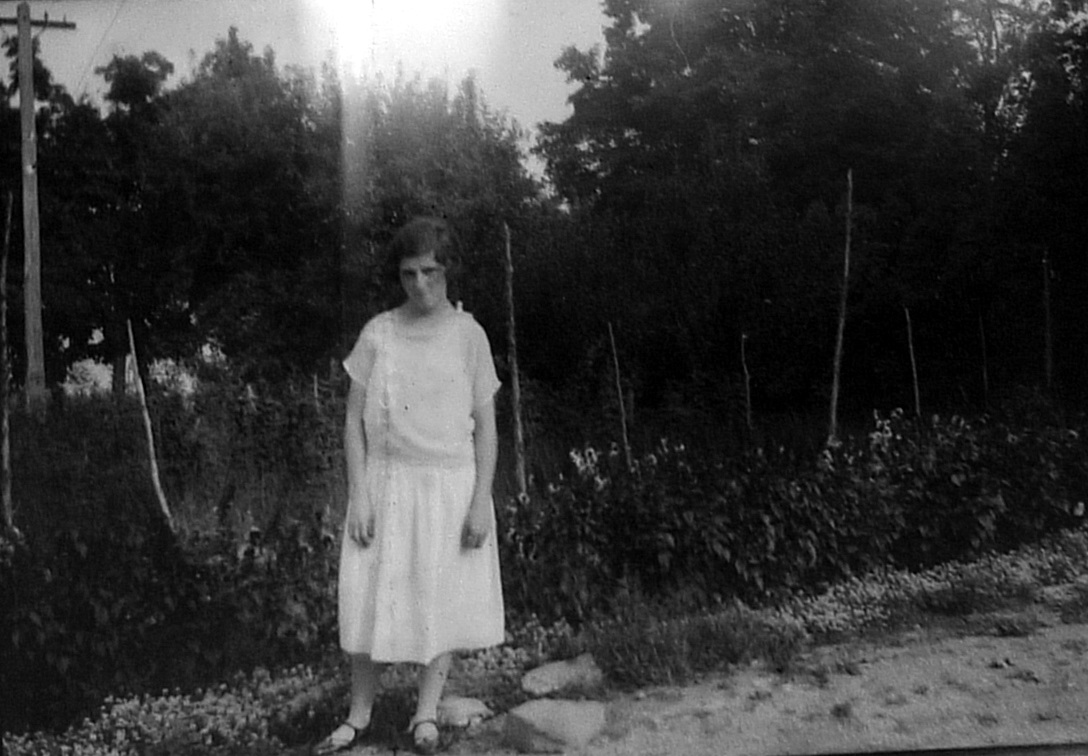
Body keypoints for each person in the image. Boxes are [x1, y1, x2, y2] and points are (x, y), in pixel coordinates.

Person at [315, 217, 505, 755]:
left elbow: (487, 428)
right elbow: (352, 421)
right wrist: (359, 494)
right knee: (368, 595)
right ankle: (359, 715)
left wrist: (481, 500)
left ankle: (426, 714)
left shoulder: (469, 335)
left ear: (449, 271)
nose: (420, 284)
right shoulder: (378, 333)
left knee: (438, 598)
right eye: (408, 274)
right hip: (387, 482)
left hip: (448, 485)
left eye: (430, 272)